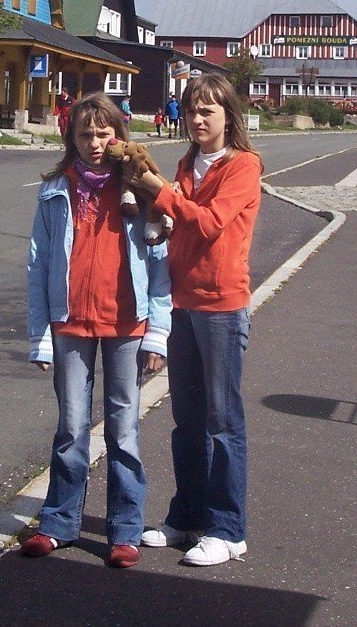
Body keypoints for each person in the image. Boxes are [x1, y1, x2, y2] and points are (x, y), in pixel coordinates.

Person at [24, 93, 171, 569]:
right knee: (70, 428)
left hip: (127, 323)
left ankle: (125, 531)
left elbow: (160, 262)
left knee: (123, 430)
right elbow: (39, 264)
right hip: (70, 324)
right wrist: (40, 334)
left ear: (119, 137)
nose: (95, 142)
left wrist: (157, 333)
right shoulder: (55, 192)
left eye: (104, 133)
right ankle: (59, 523)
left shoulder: (140, 190)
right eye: (85, 134)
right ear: (72, 138)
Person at [124, 74, 262, 567]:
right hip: (181, 303)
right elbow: (174, 223)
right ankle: (188, 517)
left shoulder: (243, 166)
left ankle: (229, 529)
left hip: (222, 306)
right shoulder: (185, 163)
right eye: (192, 110)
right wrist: (154, 216)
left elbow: (206, 223)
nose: (199, 119)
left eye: (209, 111)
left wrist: (159, 191)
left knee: (223, 422)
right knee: (186, 421)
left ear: (229, 116)